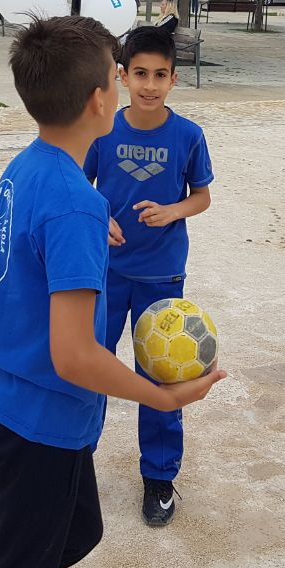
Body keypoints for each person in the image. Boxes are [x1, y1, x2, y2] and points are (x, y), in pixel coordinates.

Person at [0, 16, 225, 568]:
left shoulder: (25, 168)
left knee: (78, 532)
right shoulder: (76, 205)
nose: (132, 89)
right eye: (121, 79)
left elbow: (5, 285)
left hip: (11, 400)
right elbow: (73, 356)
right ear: (101, 99)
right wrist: (162, 394)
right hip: (41, 417)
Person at [83, 26, 213, 527]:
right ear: (123, 75)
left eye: (161, 75)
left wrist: (174, 210)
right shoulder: (103, 129)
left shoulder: (188, 136)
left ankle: (159, 475)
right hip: (106, 271)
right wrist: (102, 216)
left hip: (162, 276)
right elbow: (80, 182)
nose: (150, 85)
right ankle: (76, 457)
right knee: (91, 367)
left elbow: (201, 197)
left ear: (174, 79)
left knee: (160, 373)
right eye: (141, 74)